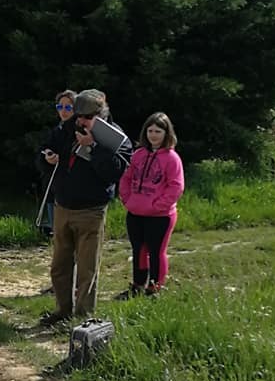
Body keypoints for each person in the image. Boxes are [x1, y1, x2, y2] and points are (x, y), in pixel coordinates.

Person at [39, 89, 132, 326]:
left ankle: (82, 318)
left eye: (86, 117)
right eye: (78, 115)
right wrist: (47, 157)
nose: (80, 121)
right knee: (60, 265)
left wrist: (93, 146)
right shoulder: (67, 129)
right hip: (63, 205)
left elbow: (114, 172)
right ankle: (62, 311)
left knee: (87, 269)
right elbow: (46, 150)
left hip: (91, 210)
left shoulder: (116, 138)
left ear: (101, 115)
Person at [117, 112, 184, 298]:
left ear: (166, 134)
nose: (153, 135)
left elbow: (176, 186)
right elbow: (126, 178)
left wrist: (158, 206)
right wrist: (127, 199)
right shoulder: (138, 155)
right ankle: (138, 285)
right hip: (136, 212)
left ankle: (155, 288)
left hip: (160, 216)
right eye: (150, 130)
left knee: (156, 252)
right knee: (138, 250)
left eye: (158, 131)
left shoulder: (172, 158)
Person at [36, 90, 76, 237]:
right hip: (53, 189)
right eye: (60, 107)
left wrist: (62, 159)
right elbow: (42, 150)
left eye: (68, 107)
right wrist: (47, 157)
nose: (63, 111)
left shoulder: (80, 131)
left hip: (72, 193)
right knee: (59, 238)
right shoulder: (56, 130)